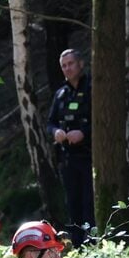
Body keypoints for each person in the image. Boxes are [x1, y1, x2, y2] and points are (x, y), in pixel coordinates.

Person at [47, 49, 95, 246]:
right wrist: (56, 132)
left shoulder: (93, 87)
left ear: (80, 64)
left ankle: (92, 242)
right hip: (68, 157)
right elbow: (50, 122)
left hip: (90, 155)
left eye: (70, 64)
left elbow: (104, 120)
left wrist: (83, 133)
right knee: (73, 202)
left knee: (89, 202)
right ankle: (77, 244)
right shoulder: (61, 94)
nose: (67, 68)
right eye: (64, 66)